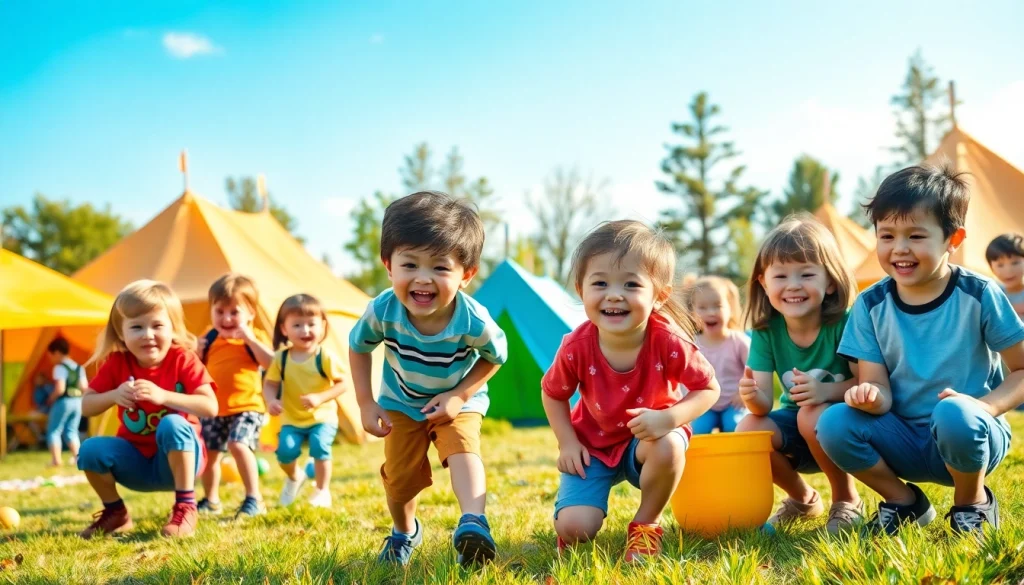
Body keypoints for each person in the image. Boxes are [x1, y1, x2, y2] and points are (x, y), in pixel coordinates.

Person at [817, 165, 1024, 536]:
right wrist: (869, 394)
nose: (900, 249)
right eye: (887, 235)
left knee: (954, 411)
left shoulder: (979, 294)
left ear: (953, 239)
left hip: (968, 433)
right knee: (832, 422)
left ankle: (971, 504)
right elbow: (877, 388)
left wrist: (986, 406)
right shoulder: (870, 304)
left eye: (915, 235)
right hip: (903, 439)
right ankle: (904, 502)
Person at [542, 220, 719, 562]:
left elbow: (707, 389)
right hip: (591, 445)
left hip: (649, 439)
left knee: (668, 445)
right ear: (581, 289)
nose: (613, 294)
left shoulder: (668, 340)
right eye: (600, 283)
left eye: (631, 284)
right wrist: (567, 442)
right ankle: (572, 515)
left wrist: (668, 418)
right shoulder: (576, 346)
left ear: (659, 295)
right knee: (576, 529)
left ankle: (646, 525)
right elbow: (553, 393)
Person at [349, 191, 508, 567]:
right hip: (401, 402)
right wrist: (366, 403)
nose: (423, 279)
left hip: (459, 401)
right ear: (389, 266)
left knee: (463, 449)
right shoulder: (383, 309)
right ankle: (404, 533)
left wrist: (459, 394)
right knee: (401, 479)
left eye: (440, 267)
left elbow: (495, 357)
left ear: (465, 275)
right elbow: (359, 347)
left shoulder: (473, 319)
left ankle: (474, 522)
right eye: (410, 265)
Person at [735, 215, 864, 535]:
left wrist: (824, 393)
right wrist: (753, 398)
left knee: (811, 413)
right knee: (748, 429)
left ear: (830, 281)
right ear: (764, 283)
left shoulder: (844, 323)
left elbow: (868, 382)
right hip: (798, 426)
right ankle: (803, 499)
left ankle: (847, 500)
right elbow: (763, 407)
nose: (793, 285)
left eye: (806, 274)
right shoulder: (766, 331)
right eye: (781, 276)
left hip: (845, 426)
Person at [77, 280, 218, 539]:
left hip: (181, 462)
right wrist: (113, 395)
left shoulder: (182, 358)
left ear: (172, 328)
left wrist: (164, 396)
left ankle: (186, 506)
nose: (148, 334)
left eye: (157, 325)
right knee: (89, 450)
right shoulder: (117, 362)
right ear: (121, 333)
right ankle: (116, 513)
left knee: (172, 424)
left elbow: (210, 406)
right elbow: (86, 406)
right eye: (137, 327)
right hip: (137, 464)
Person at [196, 274, 274, 518]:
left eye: (234, 312)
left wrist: (249, 339)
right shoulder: (209, 338)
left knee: (238, 444)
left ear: (250, 313)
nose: (226, 318)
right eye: (219, 311)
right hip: (214, 409)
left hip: (248, 406)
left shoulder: (255, 337)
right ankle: (211, 499)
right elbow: (196, 373)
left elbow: (271, 364)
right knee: (209, 455)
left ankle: (254, 498)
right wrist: (197, 354)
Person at [262, 294, 348, 509]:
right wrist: (271, 400)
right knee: (284, 453)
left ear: (323, 326)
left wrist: (320, 397)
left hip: (322, 417)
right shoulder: (281, 358)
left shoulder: (324, 356)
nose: (305, 330)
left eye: (311, 324)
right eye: (297, 325)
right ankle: (294, 477)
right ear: (284, 329)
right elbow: (270, 383)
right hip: (292, 418)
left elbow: (342, 384)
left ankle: (322, 490)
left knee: (320, 447)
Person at [686, 276, 750, 434]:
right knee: (697, 429)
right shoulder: (692, 344)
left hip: (734, 402)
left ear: (730, 309)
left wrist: (744, 393)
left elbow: (754, 369)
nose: (711, 312)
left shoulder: (739, 341)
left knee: (735, 426)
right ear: (693, 313)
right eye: (702, 307)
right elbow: (684, 376)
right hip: (705, 404)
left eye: (718, 306)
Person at [44, 337, 87, 467]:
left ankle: (56, 460)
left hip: (64, 401)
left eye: (50, 355)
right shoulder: (79, 367)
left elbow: (60, 388)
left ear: (57, 352)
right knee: (72, 431)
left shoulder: (59, 367)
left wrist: (50, 398)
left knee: (54, 430)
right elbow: (84, 387)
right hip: (77, 402)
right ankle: (78, 457)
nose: (50, 358)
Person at [985, 233, 1024, 317]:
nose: (1008, 270)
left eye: (1015, 263)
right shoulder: (991, 293)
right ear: (991, 268)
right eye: (1000, 265)